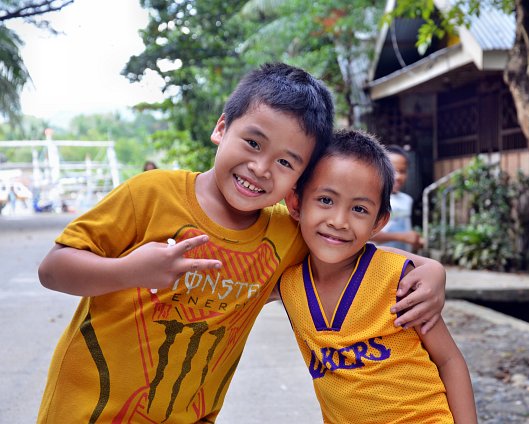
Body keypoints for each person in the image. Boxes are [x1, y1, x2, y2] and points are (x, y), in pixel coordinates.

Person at [37, 63, 446, 423]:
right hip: (86, 411)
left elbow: (351, 248)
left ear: (298, 184)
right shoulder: (151, 194)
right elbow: (53, 269)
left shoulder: (285, 234)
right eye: (253, 143)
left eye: (285, 162)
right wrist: (131, 271)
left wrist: (430, 270)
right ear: (221, 128)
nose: (261, 168)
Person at [276, 129, 477, 423]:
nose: (339, 221)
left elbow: (449, 360)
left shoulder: (398, 279)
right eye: (326, 200)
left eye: (359, 209)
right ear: (296, 203)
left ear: (378, 222)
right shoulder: (289, 283)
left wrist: (435, 270)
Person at [370, 144, 424, 252]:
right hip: (376, 257)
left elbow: (406, 228)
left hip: (402, 257)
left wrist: (416, 241)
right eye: (392, 170)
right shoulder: (372, 198)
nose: (398, 177)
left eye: (402, 171)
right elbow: (367, 234)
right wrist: (402, 237)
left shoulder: (407, 200)